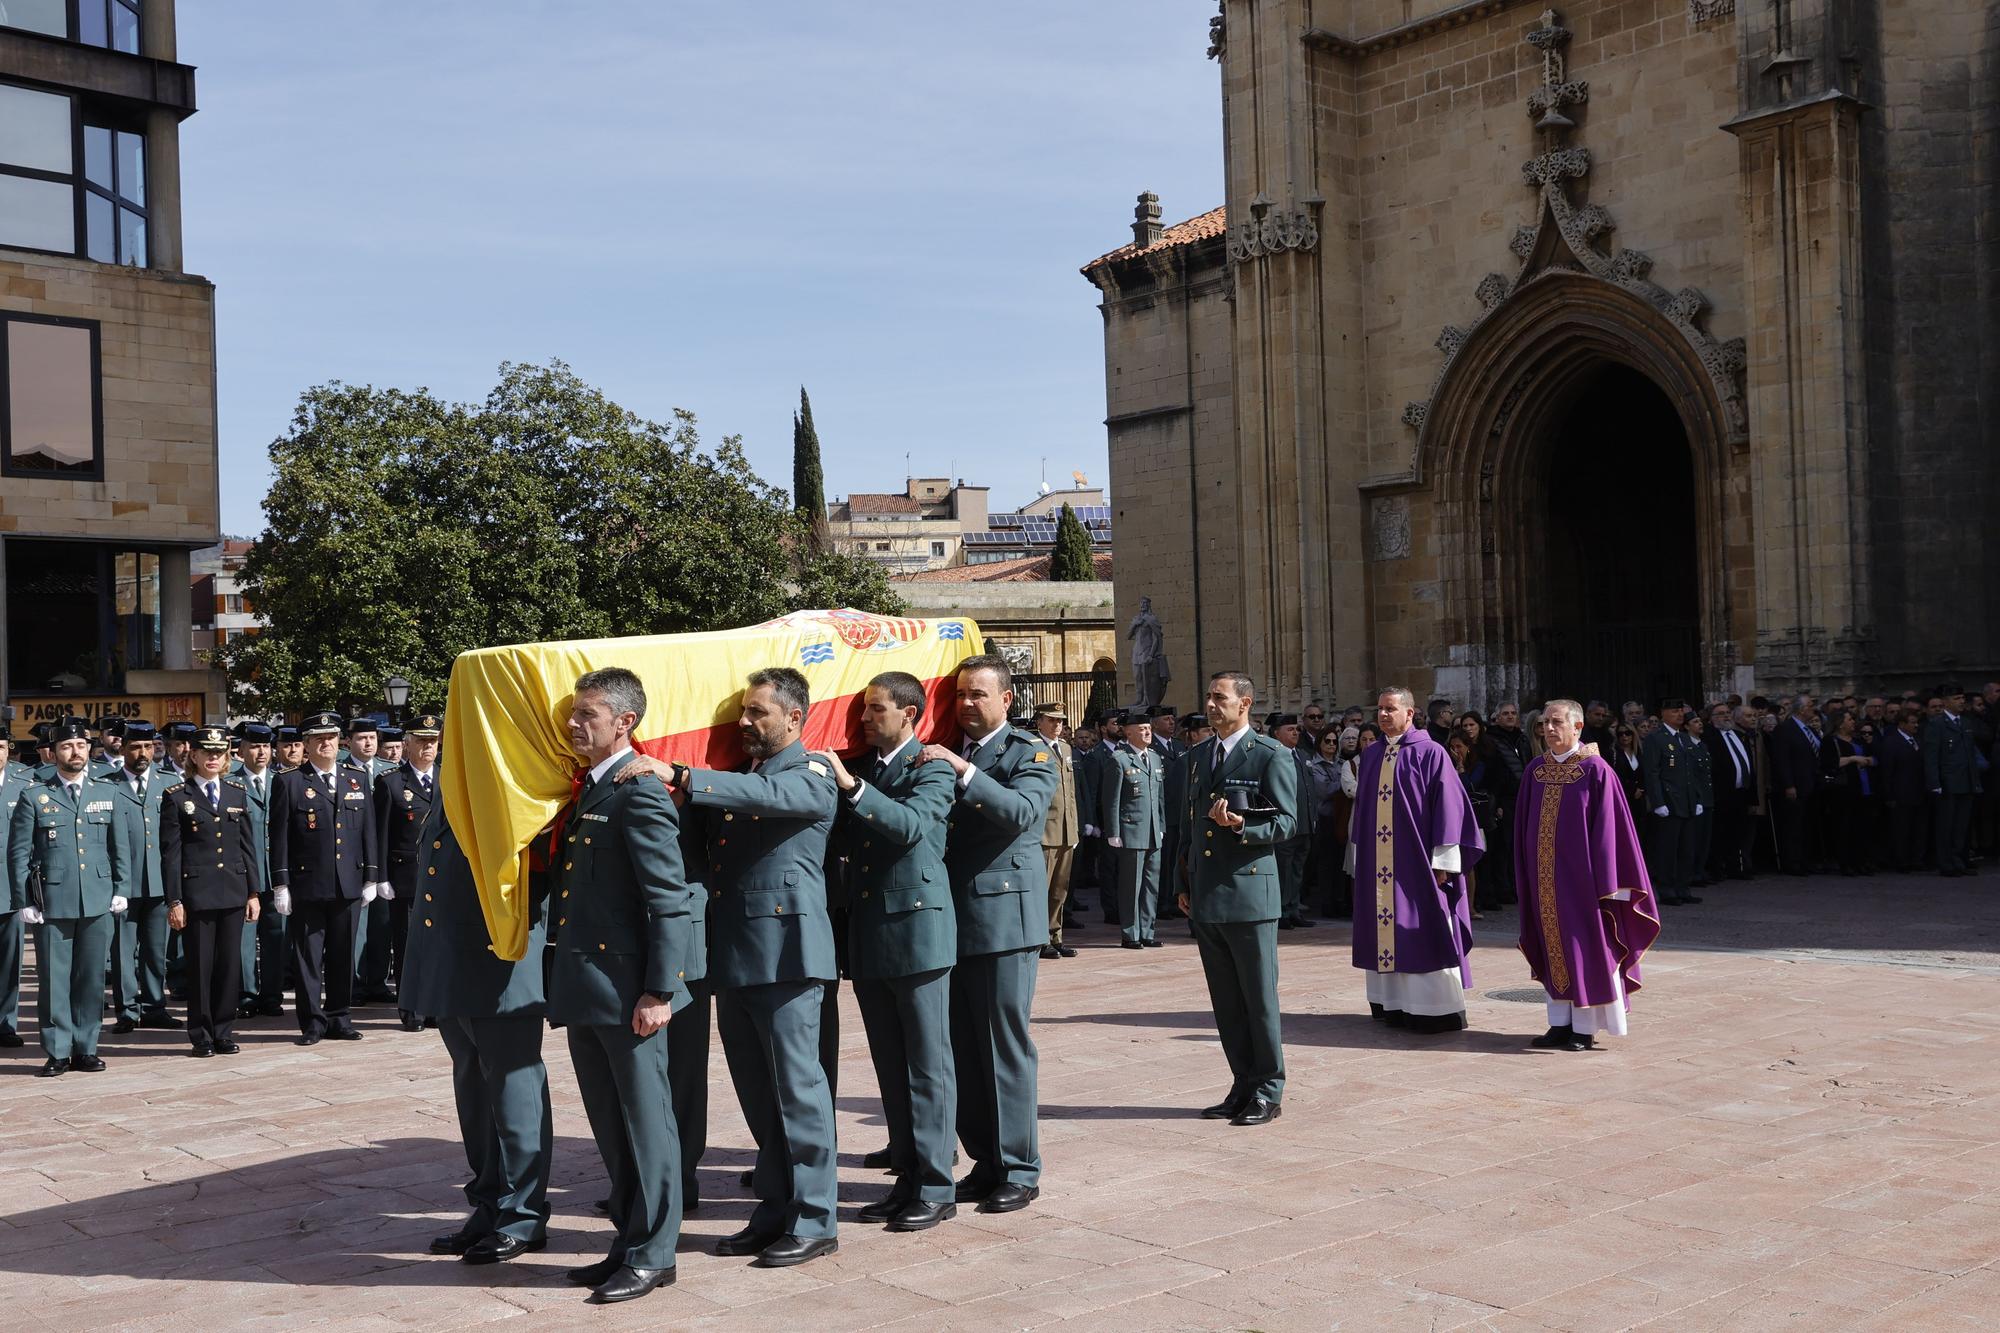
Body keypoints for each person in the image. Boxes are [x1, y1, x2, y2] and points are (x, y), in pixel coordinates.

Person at [637, 668, 838, 1269]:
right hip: (738, 958)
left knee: (799, 1093)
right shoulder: (741, 778)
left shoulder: (813, 774)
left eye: (757, 713)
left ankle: (815, 1218)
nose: (745, 723)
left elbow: (774, 801)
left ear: (794, 718)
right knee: (760, 1096)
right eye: (742, 713)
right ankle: (775, 1208)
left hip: (788, 957)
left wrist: (680, 773)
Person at [550, 668, 694, 1304]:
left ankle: (656, 1252)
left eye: (588, 715)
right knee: (611, 1124)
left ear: (624, 722)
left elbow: (669, 899)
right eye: (574, 714)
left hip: (631, 990)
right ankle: (628, 1238)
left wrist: (659, 990)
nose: (575, 724)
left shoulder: (637, 792)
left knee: (647, 1124)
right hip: (588, 987)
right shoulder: (590, 789)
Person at [816, 671, 960, 1233]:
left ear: (910, 714)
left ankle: (935, 1185)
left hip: (918, 935)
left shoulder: (933, 767)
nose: (864, 719)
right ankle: (907, 1175)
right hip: (872, 933)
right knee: (891, 1068)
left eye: (876, 709)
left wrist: (851, 789)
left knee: (927, 1067)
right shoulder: (871, 769)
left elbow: (910, 827)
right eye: (863, 709)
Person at [922, 654, 1057, 1214]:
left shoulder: (1031, 752)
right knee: (963, 1046)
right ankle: (985, 1159)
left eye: (978, 694)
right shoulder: (954, 750)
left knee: (1003, 1043)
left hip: (1004, 919)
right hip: (952, 914)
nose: (966, 704)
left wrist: (965, 772)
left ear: (1007, 698)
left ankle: (1020, 1167)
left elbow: (1023, 811)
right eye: (960, 695)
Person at [400, 794, 553, 1267]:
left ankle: (523, 1214)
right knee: (473, 1089)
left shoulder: (515, 777)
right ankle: (489, 1207)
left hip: (499, 962)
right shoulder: (454, 782)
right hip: (451, 959)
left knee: (513, 1093)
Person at [1174, 671, 1295, 1125]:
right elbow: (1188, 827)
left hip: (1249, 894)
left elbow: (1287, 823)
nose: (1211, 704)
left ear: (1244, 704)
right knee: (1225, 1000)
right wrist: (1182, 883)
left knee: (1258, 998)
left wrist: (1243, 826)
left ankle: (1268, 1087)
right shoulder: (1199, 755)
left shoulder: (1269, 755)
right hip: (1207, 892)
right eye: (1208, 696)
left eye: (1219, 698)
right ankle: (1242, 1082)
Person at [1512, 701, 1660, 1051]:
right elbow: (1522, 828)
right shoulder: (1536, 771)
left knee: (1586, 950)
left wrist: (1610, 886)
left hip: (1584, 884)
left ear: (1577, 727)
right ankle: (1560, 1023)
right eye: (1545, 722)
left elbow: (1611, 831)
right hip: (1544, 881)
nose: (1549, 729)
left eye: (1557, 722)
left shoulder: (1595, 771)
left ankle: (1585, 1026)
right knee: (1552, 947)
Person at [1346, 688, 1485, 1034]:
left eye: (1390, 709)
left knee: (1424, 928)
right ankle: (1390, 1003)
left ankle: (1433, 1008)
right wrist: (1359, 856)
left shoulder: (1431, 753)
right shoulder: (1373, 754)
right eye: (1379, 709)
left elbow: (1450, 809)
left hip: (1419, 864)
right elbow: (1362, 812)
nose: (1382, 715)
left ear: (1410, 714)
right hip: (1378, 866)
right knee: (1384, 928)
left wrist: (1445, 861)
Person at [9, 717, 129, 1076]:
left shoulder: (107, 792)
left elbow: (118, 846)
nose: (74, 752)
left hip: (97, 899)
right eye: (66, 746)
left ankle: (86, 1047)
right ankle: (58, 1050)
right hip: (52, 902)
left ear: (89, 749)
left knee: (91, 979)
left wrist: (122, 889)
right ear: (53, 753)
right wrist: (23, 901)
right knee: (54, 979)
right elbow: (18, 855)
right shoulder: (35, 795)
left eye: (80, 746)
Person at [269, 712, 381, 1046]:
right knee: (308, 957)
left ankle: (339, 1017)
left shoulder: (356, 776)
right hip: (308, 884)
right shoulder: (289, 781)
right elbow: (280, 836)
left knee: (342, 954)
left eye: (332, 737)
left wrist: (371, 876)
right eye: (319, 739)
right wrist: (281, 884)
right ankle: (312, 1022)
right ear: (306, 745)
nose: (327, 743)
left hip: (348, 881)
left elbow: (368, 832)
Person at [160, 725, 262, 1057]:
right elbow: (171, 854)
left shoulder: (236, 793)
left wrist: (253, 893)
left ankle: (223, 1030)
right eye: (207, 752)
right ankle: (201, 1034)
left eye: (219, 753)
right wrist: (174, 900)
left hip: (233, 891)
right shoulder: (177, 795)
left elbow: (248, 847)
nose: (213, 758)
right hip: (197, 895)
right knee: (201, 967)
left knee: (229, 965)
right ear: (194, 755)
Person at [108, 720, 180, 1034]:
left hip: (159, 881)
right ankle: (127, 1010)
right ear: (123, 749)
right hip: (121, 883)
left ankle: (154, 1007)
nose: (142, 753)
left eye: (148, 747)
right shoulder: (106, 785)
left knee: (155, 949)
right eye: (135, 747)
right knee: (123, 952)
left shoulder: (167, 783)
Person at [373, 713, 443, 1030]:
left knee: (438, 944)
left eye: (432, 741)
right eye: (421, 741)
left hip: (442, 878)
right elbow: (380, 833)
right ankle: (410, 1008)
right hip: (405, 877)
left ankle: (434, 1007)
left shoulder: (449, 777)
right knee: (407, 945)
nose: (428, 746)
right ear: (408, 744)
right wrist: (381, 876)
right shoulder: (390, 782)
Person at [231, 722, 284, 1017]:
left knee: (276, 938)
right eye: (254, 746)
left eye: (265, 746)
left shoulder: (282, 781)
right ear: (241, 750)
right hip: (244, 875)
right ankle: (247, 994)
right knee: (244, 941)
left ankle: (272, 996)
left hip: (276, 873)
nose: (261, 752)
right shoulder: (231, 783)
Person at [1101, 711, 1167, 950]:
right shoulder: (1120, 759)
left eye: (1148, 728)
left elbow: (1159, 798)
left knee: (1151, 884)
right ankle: (1131, 933)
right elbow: (1111, 799)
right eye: (1141, 729)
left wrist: (1161, 826)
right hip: (1130, 831)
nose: (1147, 732)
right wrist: (1113, 832)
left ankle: (1148, 931)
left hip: (1152, 831)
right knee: (1131, 885)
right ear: (1128, 732)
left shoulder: (1156, 759)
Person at [1639, 698, 1704, 906]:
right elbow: (1652, 772)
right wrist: (1658, 802)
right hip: (1669, 801)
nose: (1679, 715)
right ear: (1664, 713)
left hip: (1686, 801)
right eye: (1674, 711)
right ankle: (1667, 890)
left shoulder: (1684, 739)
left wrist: (1697, 798)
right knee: (1668, 849)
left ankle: (1683, 887)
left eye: (1681, 711)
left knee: (1687, 848)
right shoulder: (1655, 739)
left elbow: (1691, 773)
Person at [1033, 702, 1080, 960]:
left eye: (1060, 721)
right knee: (1042, 887)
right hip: (1045, 831)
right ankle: (1040, 939)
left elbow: (1070, 792)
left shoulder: (1065, 748)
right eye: (1051, 720)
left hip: (1065, 829)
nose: (1057, 725)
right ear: (1039, 721)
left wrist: (1073, 827)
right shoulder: (1032, 749)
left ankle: (1055, 935)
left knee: (1060, 889)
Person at [1925, 684, 1979, 876]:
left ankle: (1959, 861)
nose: (1961, 701)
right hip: (1947, 782)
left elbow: (1970, 755)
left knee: (1961, 826)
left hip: (1966, 781)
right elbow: (1931, 756)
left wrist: (1975, 781)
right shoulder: (1937, 724)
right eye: (1957, 698)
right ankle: (1946, 863)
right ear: (1946, 702)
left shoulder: (1965, 723)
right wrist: (1935, 783)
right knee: (1946, 826)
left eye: (1962, 698)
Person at [1703, 703, 1756, 881]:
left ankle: (1737, 866)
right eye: (1720, 714)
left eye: (1727, 713)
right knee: (1719, 832)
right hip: (1721, 793)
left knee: (1739, 832)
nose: (1726, 716)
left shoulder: (1739, 735)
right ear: (1711, 718)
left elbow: (1748, 764)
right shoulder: (1709, 736)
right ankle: (1716, 868)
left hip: (1741, 792)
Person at [0, 733, 29, 1048]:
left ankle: (5, 1023)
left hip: (10, 889)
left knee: (10, 963)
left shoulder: (23, 783)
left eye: (1, 748)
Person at [1821, 710, 1875, 875]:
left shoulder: (1858, 739)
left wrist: (1868, 760)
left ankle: (1862, 861)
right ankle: (1846, 862)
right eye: (1850, 719)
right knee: (1845, 826)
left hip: (1863, 787)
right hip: (1844, 790)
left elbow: (1872, 756)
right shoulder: (1830, 741)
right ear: (1840, 723)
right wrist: (1852, 759)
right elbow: (1829, 763)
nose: (1853, 722)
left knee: (1862, 827)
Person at [1876, 707, 1928, 871]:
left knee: (1919, 828)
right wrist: (1889, 795)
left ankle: (1917, 859)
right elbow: (1887, 771)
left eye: (1916, 722)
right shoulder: (1891, 742)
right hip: (1901, 793)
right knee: (1901, 830)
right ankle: (1901, 860)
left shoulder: (1918, 740)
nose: (1916, 726)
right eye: (1912, 723)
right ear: (1902, 724)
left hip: (1919, 792)